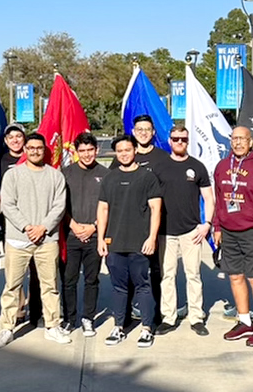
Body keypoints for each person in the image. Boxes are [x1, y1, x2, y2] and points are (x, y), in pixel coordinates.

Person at [0, 133, 69, 348]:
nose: (35, 151)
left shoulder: (55, 176)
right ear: (25, 150)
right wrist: (27, 227)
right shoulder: (13, 175)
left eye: (39, 148)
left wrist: (43, 227)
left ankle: (53, 326)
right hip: (18, 240)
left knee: (50, 285)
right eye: (31, 148)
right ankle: (7, 328)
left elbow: (59, 206)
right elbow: (8, 205)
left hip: (47, 240)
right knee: (12, 286)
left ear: (45, 150)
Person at [97, 135, 161, 348]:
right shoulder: (110, 178)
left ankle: (146, 328)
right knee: (119, 287)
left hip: (139, 243)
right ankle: (118, 326)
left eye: (128, 149)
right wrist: (101, 239)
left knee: (143, 286)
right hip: (114, 242)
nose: (124, 153)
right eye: (120, 150)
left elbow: (156, 209)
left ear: (135, 150)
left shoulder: (147, 177)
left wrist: (152, 237)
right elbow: (103, 209)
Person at [214, 126, 253, 347]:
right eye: (234, 138)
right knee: (235, 276)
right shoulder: (222, 166)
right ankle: (244, 320)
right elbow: (220, 200)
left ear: (251, 142)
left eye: (242, 139)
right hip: (229, 231)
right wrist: (217, 226)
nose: (238, 142)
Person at [156, 126, 214, 337]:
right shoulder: (160, 166)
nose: (180, 142)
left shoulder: (197, 167)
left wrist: (206, 223)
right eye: (176, 139)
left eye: (183, 139)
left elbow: (208, 198)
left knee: (193, 275)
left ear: (188, 141)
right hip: (165, 231)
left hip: (191, 231)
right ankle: (168, 317)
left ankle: (196, 317)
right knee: (167, 276)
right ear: (169, 141)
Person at [110, 114, 169, 326]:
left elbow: (165, 195)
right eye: (139, 129)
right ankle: (124, 316)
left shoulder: (163, 158)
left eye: (147, 129)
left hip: (154, 228)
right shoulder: (120, 161)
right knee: (126, 277)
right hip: (127, 232)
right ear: (134, 133)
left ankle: (153, 315)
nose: (143, 132)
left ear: (153, 132)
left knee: (153, 274)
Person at [60, 133, 109, 337]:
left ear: (96, 150)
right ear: (76, 152)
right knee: (69, 280)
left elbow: (109, 206)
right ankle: (70, 319)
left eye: (90, 150)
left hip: (95, 236)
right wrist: (73, 225)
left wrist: (93, 227)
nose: (87, 154)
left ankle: (88, 318)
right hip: (71, 235)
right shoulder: (66, 173)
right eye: (82, 151)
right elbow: (58, 205)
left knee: (92, 280)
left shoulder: (106, 174)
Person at [0, 123, 42, 326]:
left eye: (18, 136)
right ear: (6, 141)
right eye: (11, 137)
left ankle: (36, 309)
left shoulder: (34, 159)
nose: (15, 140)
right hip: (11, 225)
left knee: (37, 271)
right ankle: (18, 307)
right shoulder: (0, 161)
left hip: (37, 225)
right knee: (15, 272)